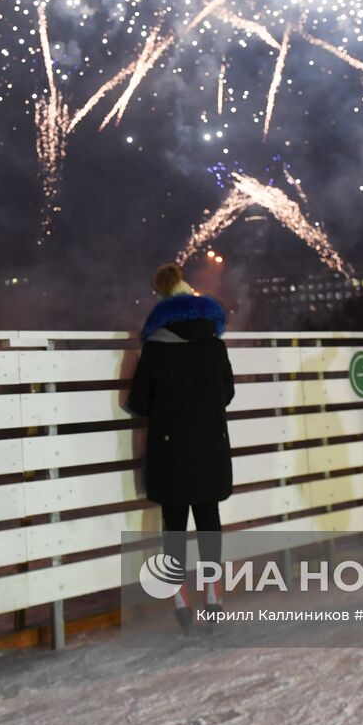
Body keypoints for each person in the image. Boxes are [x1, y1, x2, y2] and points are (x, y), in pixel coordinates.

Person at [126, 263, 234, 630]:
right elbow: (228, 394)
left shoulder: (155, 348)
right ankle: (214, 595)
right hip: (210, 445)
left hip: (171, 449)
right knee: (208, 518)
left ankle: (180, 598)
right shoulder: (215, 344)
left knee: (174, 523)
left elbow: (139, 403)